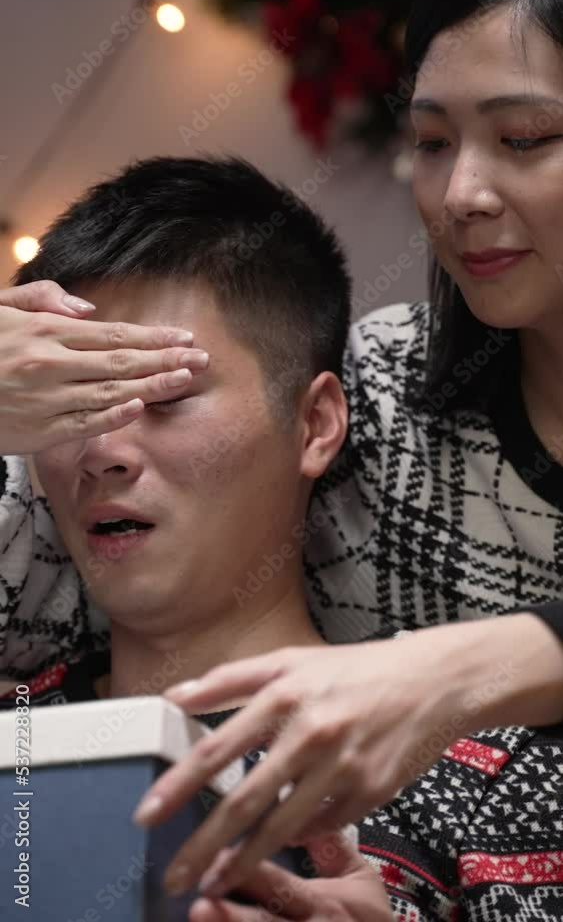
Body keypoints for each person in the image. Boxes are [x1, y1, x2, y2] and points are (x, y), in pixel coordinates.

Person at [1, 156, 562, 922]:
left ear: (316, 424)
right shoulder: (16, 741)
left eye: (163, 397)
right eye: (73, 402)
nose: (104, 451)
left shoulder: (483, 772)